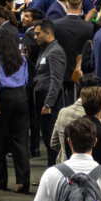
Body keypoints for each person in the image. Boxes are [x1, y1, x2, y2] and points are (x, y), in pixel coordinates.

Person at [0, 27, 31, 192]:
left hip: (3, 97)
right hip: (21, 96)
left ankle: (1, 180)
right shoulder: (22, 58)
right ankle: (23, 182)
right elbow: (26, 79)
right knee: (20, 140)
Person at [33, 18, 69, 167]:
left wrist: (48, 104)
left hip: (50, 104)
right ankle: (49, 175)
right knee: (48, 141)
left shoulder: (55, 52)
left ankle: (55, 176)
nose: (35, 37)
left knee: (51, 142)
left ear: (47, 33)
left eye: (37, 34)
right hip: (44, 101)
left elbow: (56, 81)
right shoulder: (47, 49)